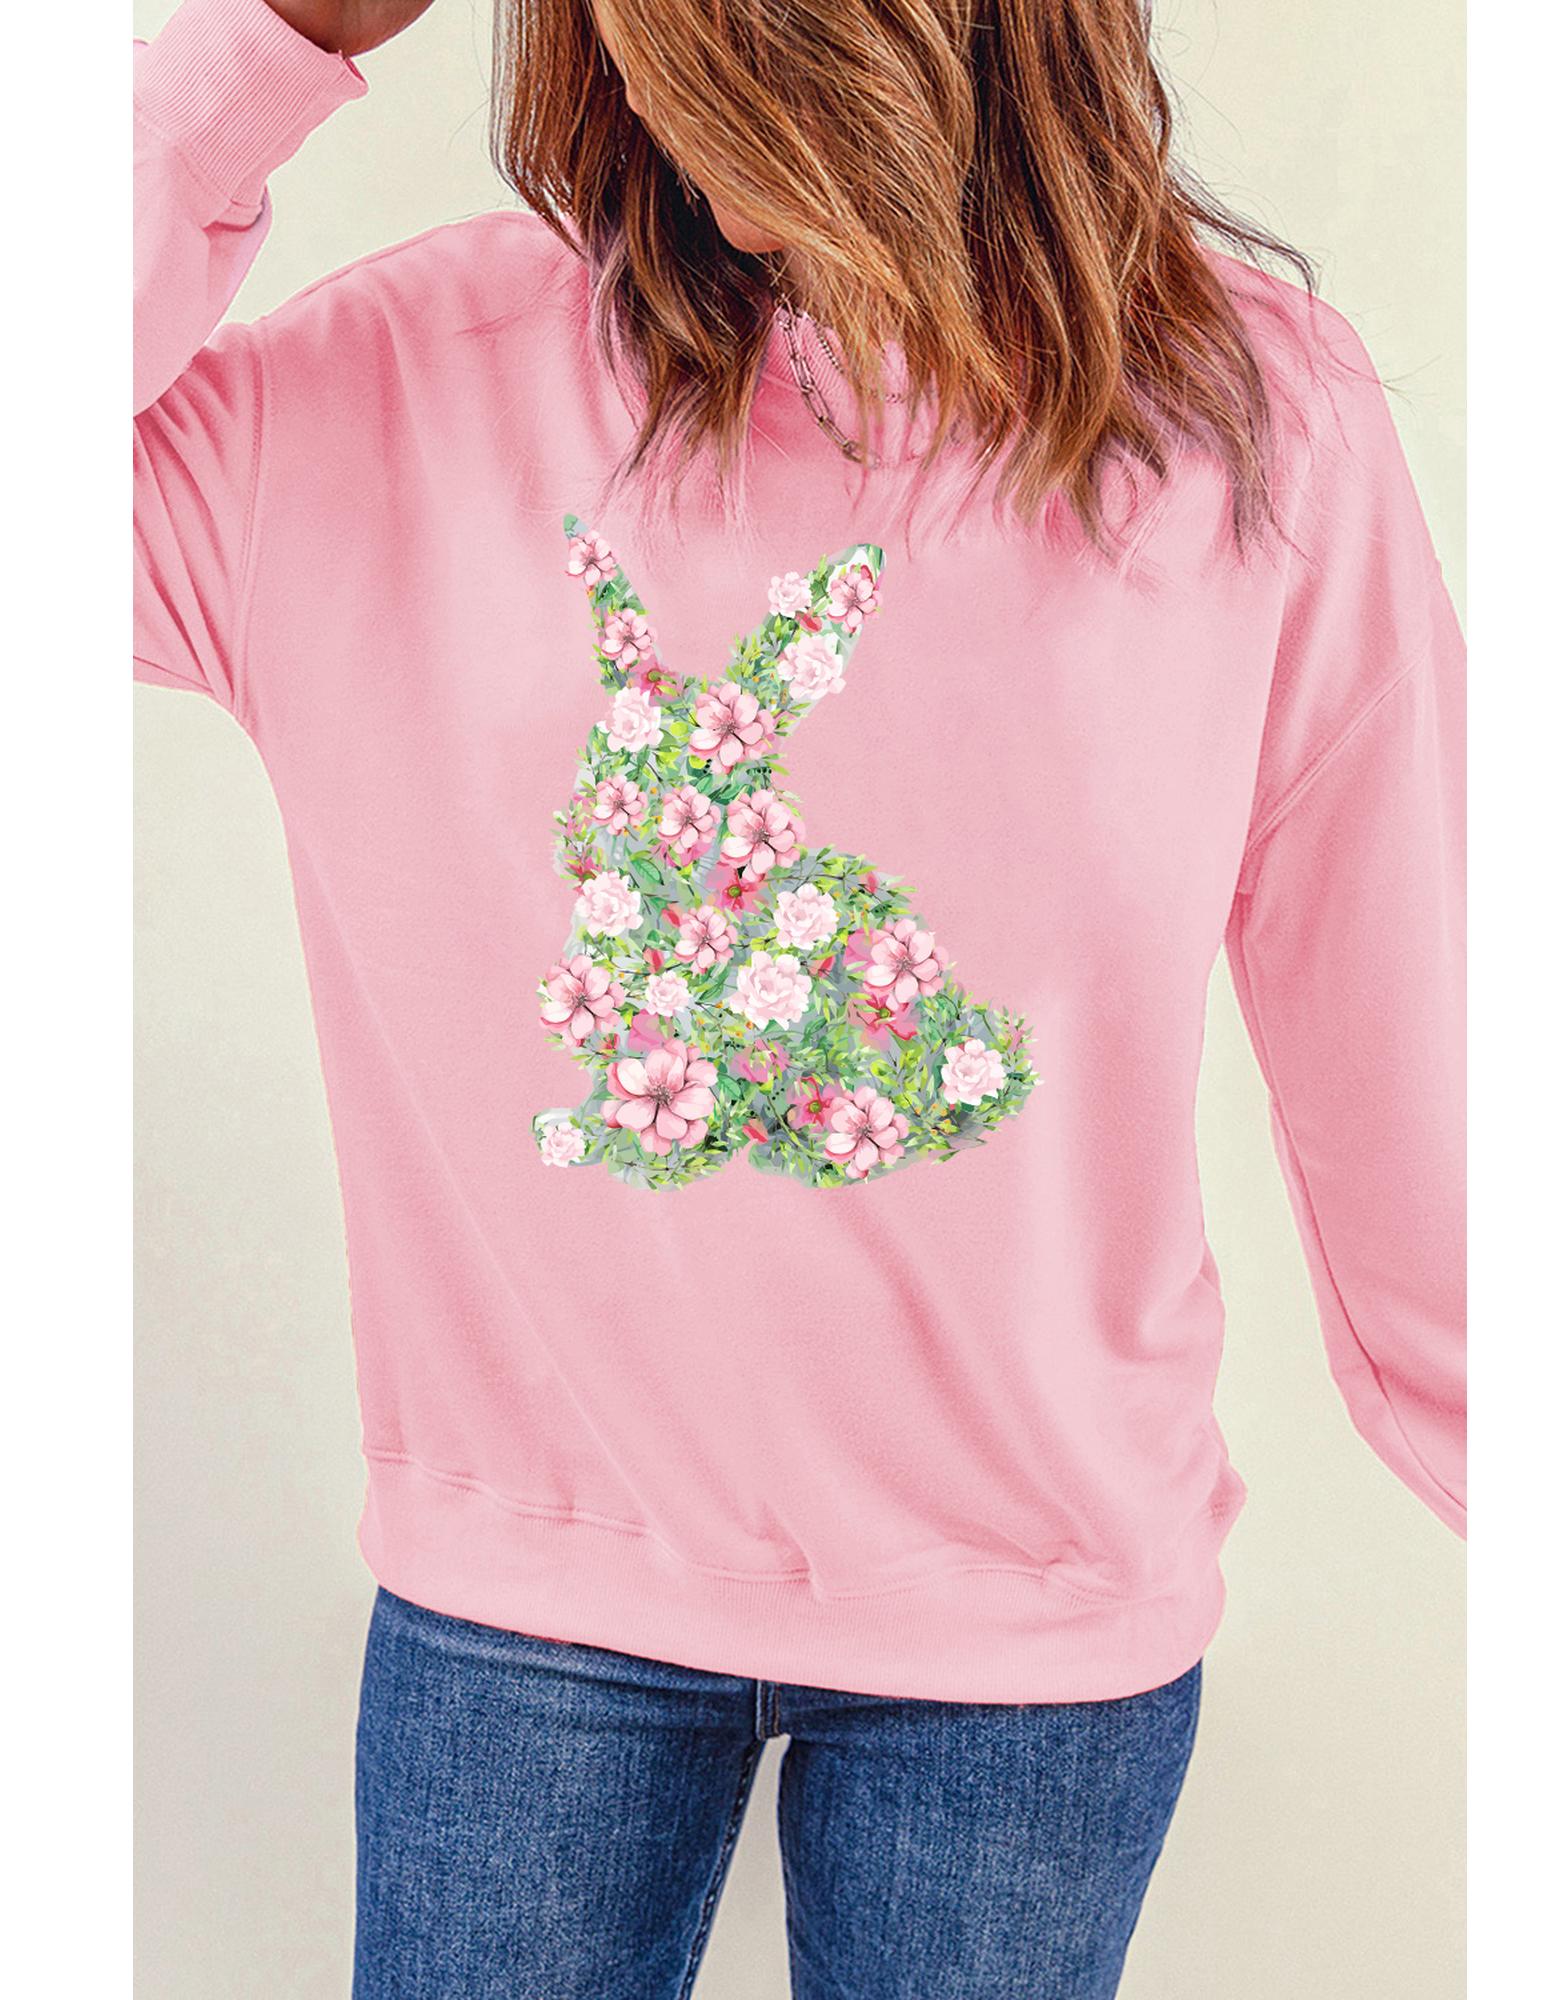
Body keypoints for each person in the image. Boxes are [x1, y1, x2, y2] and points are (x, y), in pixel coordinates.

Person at [133, 0, 1465, 1993]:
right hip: (530, 1603)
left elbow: (1416, 1051)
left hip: (1032, 1626)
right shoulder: (389, 394)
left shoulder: (1245, 422)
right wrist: (272, 36)